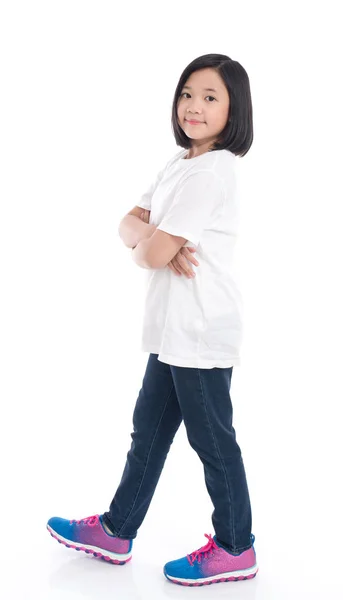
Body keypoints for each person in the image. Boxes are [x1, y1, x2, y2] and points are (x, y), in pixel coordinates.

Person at [46, 52, 258, 587]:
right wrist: (150, 237)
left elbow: (148, 251)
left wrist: (150, 242)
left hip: (201, 330)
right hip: (171, 331)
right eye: (188, 93)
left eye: (211, 97)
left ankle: (236, 548)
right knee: (148, 432)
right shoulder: (181, 163)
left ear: (234, 110)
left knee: (213, 441)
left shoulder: (214, 171)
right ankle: (118, 532)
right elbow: (130, 226)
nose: (194, 105)